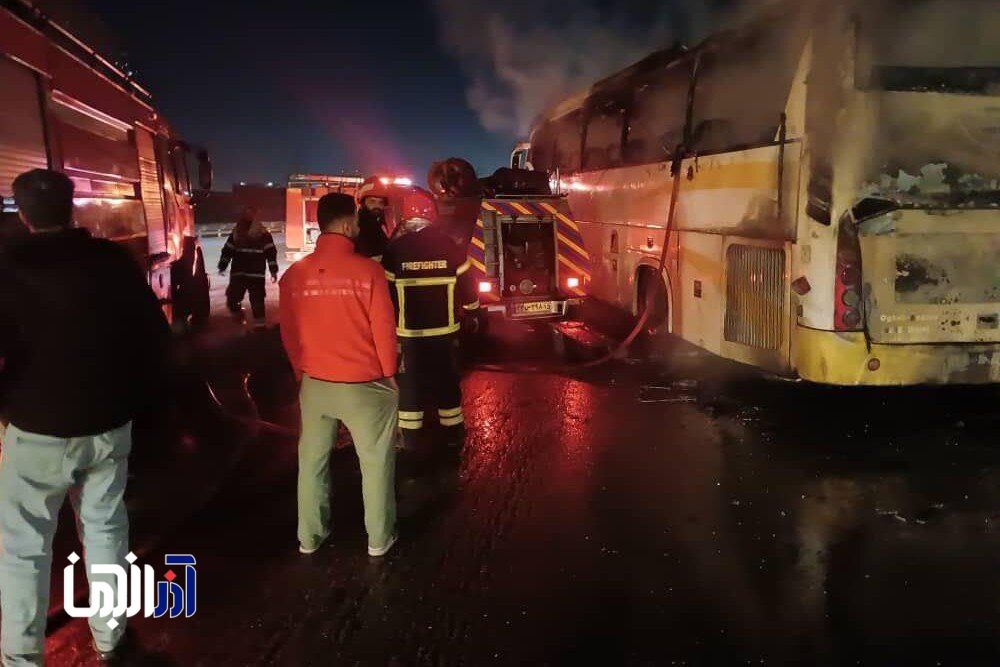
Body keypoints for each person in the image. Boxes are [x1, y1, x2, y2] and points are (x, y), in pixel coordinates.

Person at [0, 169, 171, 665]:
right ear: (72, 208)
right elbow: (152, 337)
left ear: (22, 214)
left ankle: (21, 657)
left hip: (35, 429)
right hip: (107, 425)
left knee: (25, 548)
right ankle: (111, 639)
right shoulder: (111, 262)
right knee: (105, 530)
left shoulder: (8, 267)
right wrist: (133, 401)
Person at [279, 192, 400, 557]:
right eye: (357, 220)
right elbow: (383, 330)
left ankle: (309, 537)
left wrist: (301, 373)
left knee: (311, 463)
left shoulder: (294, 275)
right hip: (364, 384)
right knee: (375, 463)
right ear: (348, 224)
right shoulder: (369, 272)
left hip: (315, 384)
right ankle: (378, 539)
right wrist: (388, 374)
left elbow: (289, 334)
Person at [381, 188, 479, 449]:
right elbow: (468, 286)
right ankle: (452, 431)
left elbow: (385, 294)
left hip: (409, 334)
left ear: (404, 217)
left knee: (411, 382)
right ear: (432, 215)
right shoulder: (450, 246)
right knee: (446, 378)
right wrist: (473, 311)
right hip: (445, 333)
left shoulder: (395, 250)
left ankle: (410, 435)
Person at [218, 208, 279, 327]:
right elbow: (271, 253)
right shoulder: (261, 233)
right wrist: (273, 271)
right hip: (252, 274)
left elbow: (227, 250)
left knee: (236, 299)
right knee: (254, 300)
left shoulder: (240, 233)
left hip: (241, 273)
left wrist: (222, 266)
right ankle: (258, 326)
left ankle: (250, 322)